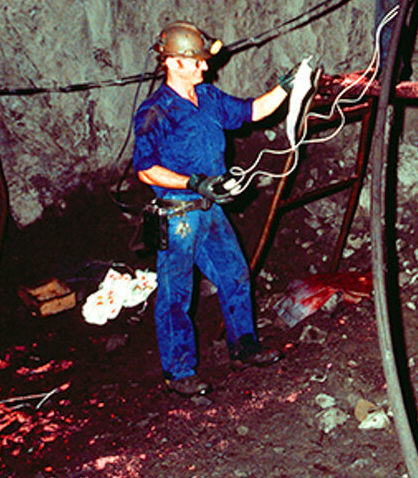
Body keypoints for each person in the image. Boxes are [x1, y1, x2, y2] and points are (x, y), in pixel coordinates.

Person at [132, 22, 308, 398]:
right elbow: (146, 169)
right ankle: (179, 372)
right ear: (174, 63)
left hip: (210, 209)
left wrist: (286, 86)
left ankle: (244, 346)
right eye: (196, 62)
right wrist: (193, 182)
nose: (204, 68)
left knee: (234, 274)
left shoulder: (208, 97)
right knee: (177, 293)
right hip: (178, 214)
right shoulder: (155, 112)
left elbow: (254, 111)